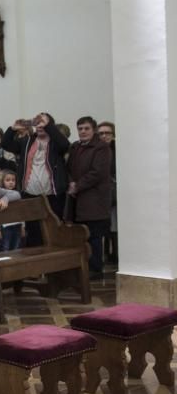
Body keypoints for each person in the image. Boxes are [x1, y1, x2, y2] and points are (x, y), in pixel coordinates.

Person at [1, 112, 71, 244]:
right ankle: (35, 262)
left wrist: (49, 126)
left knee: (53, 230)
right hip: (30, 195)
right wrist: (12, 129)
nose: (39, 125)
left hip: (53, 196)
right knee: (33, 232)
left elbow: (65, 145)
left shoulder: (56, 143)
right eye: (37, 122)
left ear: (50, 125)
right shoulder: (27, 141)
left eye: (43, 122)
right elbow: (6, 144)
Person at [67, 116, 113, 276]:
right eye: (80, 129)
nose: (83, 131)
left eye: (86, 128)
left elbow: (98, 173)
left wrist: (77, 186)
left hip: (95, 199)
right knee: (81, 235)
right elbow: (69, 169)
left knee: (93, 236)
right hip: (78, 199)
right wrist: (71, 183)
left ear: (93, 130)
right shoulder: (75, 147)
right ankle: (82, 267)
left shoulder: (101, 148)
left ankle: (95, 269)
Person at [97, 121, 118, 264]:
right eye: (101, 133)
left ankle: (115, 255)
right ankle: (105, 255)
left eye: (107, 133)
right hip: (100, 194)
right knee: (104, 226)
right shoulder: (96, 151)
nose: (104, 136)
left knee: (115, 226)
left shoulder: (118, 150)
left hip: (116, 193)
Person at [0, 170, 25, 251]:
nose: (11, 182)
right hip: (5, 226)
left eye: (13, 180)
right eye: (8, 180)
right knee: (5, 247)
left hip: (17, 225)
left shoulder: (17, 195)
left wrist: (23, 226)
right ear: (2, 181)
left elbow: (22, 212)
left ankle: (15, 262)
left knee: (16, 246)